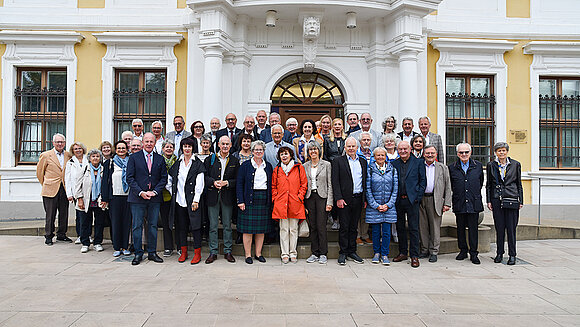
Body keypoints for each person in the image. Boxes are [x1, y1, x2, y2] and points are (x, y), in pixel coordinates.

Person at [126, 132, 168, 265]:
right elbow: (130, 178)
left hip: (154, 198)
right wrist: (141, 192)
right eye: (147, 141)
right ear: (142, 142)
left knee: (153, 226)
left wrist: (155, 192)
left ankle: (152, 253)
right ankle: (138, 254)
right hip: (138, 198)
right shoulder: (133, 158)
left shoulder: (160, 159)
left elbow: (163, 178)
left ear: (155, 143)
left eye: (151, 141)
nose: (149, 144)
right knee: (137, 226)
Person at [167, 137, 205, 264]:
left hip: (193, 201)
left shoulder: (198, 163)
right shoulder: (178, 163)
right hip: (179, 201)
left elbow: (200, 183)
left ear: (193, 148)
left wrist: (196, 200)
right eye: (185, 146)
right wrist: (172, 192)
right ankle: (183, 252)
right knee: (181, 227)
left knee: (195, 227)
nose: (187, 148)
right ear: (182, 148)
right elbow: (169, 179)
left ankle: (197, 253)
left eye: (189, 146)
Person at [332, 137, 368, 265]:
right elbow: (335, 181)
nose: (351, 148)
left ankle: (352, 251)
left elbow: (365, 181)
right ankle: (343, 252)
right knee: (344, 227)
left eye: (353, 146)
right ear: (345, 148)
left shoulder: (363, 162)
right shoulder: (338, 161)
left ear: (357, 148)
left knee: (354, 227)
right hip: (344, 200)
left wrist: (364, 199)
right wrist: (339, 198)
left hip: (358, 198)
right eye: (349, 146)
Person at [486, 142, 523, 265]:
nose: (501, 153)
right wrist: (489, 200)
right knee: (499, 228)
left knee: (511, 229)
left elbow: (519, 183)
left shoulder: (515, 164)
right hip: (497, 199)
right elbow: (489, 185)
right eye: (499, 151)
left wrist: (520, 200)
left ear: (507, 151)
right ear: (495, 152)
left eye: (503, 150)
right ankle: (499, 253)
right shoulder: (491, 165)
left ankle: (512, 255)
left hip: (511, 199)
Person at [236, 140, 273, 264]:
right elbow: (239, 184)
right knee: (248, 230)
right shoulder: (245, 166)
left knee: (260, 230)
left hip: (263, 199)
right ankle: (248, 255)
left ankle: (258, 253)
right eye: (256, 150)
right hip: (248, 199)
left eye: (261, 150)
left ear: (263, 151)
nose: (258, 152)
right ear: (252, 152)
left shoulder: (268, 166)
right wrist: (240, 201)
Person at [204, 136, 239, 264]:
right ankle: (213, 252)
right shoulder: (210, 159)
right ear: (218, 144)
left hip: (227, 197)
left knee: (227, 226)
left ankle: (228, 251)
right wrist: (213, 182)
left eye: (227, 144)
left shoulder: (234, 160)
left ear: (230, 146)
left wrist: (227, 183)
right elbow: (204, 176)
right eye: (223, 144)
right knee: (213, 226)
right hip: (213, 196)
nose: (225, 146)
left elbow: (237, 180)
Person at [392, 141, 426, 268]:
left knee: (413, 228)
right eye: (400, 149)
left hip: (413, 201)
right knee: (400, 227)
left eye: (405, 149)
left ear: (410, 149)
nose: (403, 151)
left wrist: (417, 197)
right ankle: (402, 252)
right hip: (398, 200)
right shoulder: (394, 163)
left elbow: (423, 181)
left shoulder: (418, 162)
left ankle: (414, 255)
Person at [448, 143, 484, 265]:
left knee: (473, 229)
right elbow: (451, 185)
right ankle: (463, 250)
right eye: (461, 152)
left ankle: (474, 253)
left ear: (470, 153)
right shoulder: (452, 167)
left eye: (466, 152)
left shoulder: (478, 166)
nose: (464, 154)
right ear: (457, 154)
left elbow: (480, 182)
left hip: (474, 202)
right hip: (460, 201)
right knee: (460, 228)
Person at [272, 146, 308, 264]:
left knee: (293, 229)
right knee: (283, 229)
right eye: (282, 154)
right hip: (281, 203)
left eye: (286, 153)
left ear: (291, 155)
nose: (284, 156)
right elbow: (273, 186)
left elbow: (304, 184)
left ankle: (293, 252)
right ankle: (284, 253)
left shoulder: (298, 168)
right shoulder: (277, 170)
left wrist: (299, 197)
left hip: (295, 203)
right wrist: (276, 198)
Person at [36, 133, 72, 245]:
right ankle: (49, 235)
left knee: (64, 213)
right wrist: (47, 183)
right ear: (53, 143)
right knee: (50, 214)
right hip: (50, 188)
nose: (60, 144)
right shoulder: (46, 155)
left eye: (62, 142)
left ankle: (62, 234)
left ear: (65, 143)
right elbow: (39, 173)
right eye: (58, 142)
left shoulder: (68, 155)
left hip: (64, 188)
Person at [418, 145, 452, 263]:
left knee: (435, 227)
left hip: (435, 199)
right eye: (427, 153)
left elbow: (448, 186)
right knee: (422, 227)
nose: (430, 155)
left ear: (436, 154)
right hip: (421, 199)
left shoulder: (442, 168)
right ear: (423, 154)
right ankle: (424, 249)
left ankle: (434, 251)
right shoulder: (419, 165)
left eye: (432, 153)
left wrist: (447, 202)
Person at [366, 147, 398, 265]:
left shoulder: (392, 170)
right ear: (374, 157)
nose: (380, 157)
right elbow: (368, 189)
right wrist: (375, 205)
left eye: (382, 155)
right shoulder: (370, 170)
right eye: (378, 155)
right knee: (375, 232)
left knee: (386, 232)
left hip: (388, 207)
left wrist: (388, 205)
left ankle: (384, 254)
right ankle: (376, 253)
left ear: (386, 157)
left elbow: (395, 189)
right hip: (375, 207)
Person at [101, 140, 132, 257]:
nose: (121, 150)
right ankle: (117, 247)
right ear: (116, 150)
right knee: (115, 222)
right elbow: (105, 181)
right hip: (114, 197)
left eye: (123, 148)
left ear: (127, 149)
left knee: (126, 222)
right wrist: (104, 197)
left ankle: (125, 246)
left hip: (128, 197)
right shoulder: (110, 163)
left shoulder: (131, 161)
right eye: (119, 148)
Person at [303, 142, 333, 264]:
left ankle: (323, 253)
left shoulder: (326, 164)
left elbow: (330, 184)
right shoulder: (305, 165)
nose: (313, 151)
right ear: (308, 152)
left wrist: (330, 201)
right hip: (310, 197)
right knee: (313, 226)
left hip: (322, 197)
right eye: (310, 150)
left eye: (315, 149)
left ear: (319, 150)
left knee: (321, 226)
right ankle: (314, 252)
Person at [74, 149, 106, 253]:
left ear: (100, 158)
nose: (95, 158)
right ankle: (85, 243)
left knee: (99, 222)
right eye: (93, 156)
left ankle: (97, 242)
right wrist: (79, 199)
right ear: (89, 158)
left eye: (97, 156)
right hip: (86, 200)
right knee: (85, 222)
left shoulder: (104, 169)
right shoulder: (84, 169)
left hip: (99, 200)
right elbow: (77, 185)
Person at [65, 141, 88, 245]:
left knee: (87, 216)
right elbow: (67, 179)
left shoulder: (88, 159)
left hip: (88, 191)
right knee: (80, 215)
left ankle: (87, 235)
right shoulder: (70, 162)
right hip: (76, 192)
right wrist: (69, 194)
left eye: (79, 148)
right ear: (72, 151)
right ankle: (80, 235)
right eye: (75, 149)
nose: (78, 150)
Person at [159, 140, 177, 257]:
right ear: (163, 149)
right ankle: (168, 247)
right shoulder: (159, 160)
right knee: (166, 222)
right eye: (167, 147)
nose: (169, 149)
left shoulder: (178, 160)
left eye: (171, 147)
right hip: (163, 195)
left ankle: (180, 246)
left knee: (179, 222)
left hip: (176, 195)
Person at [355, 132, 373, 245]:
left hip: (370, 186)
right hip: (359, 185)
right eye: (364, 140)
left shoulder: (374, 154)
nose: (366, 142)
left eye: (368, 140)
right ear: (360, 142)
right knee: (357, 213)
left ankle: (365, 234)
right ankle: (357, 235)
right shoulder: (356, 154)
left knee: (366, 213)